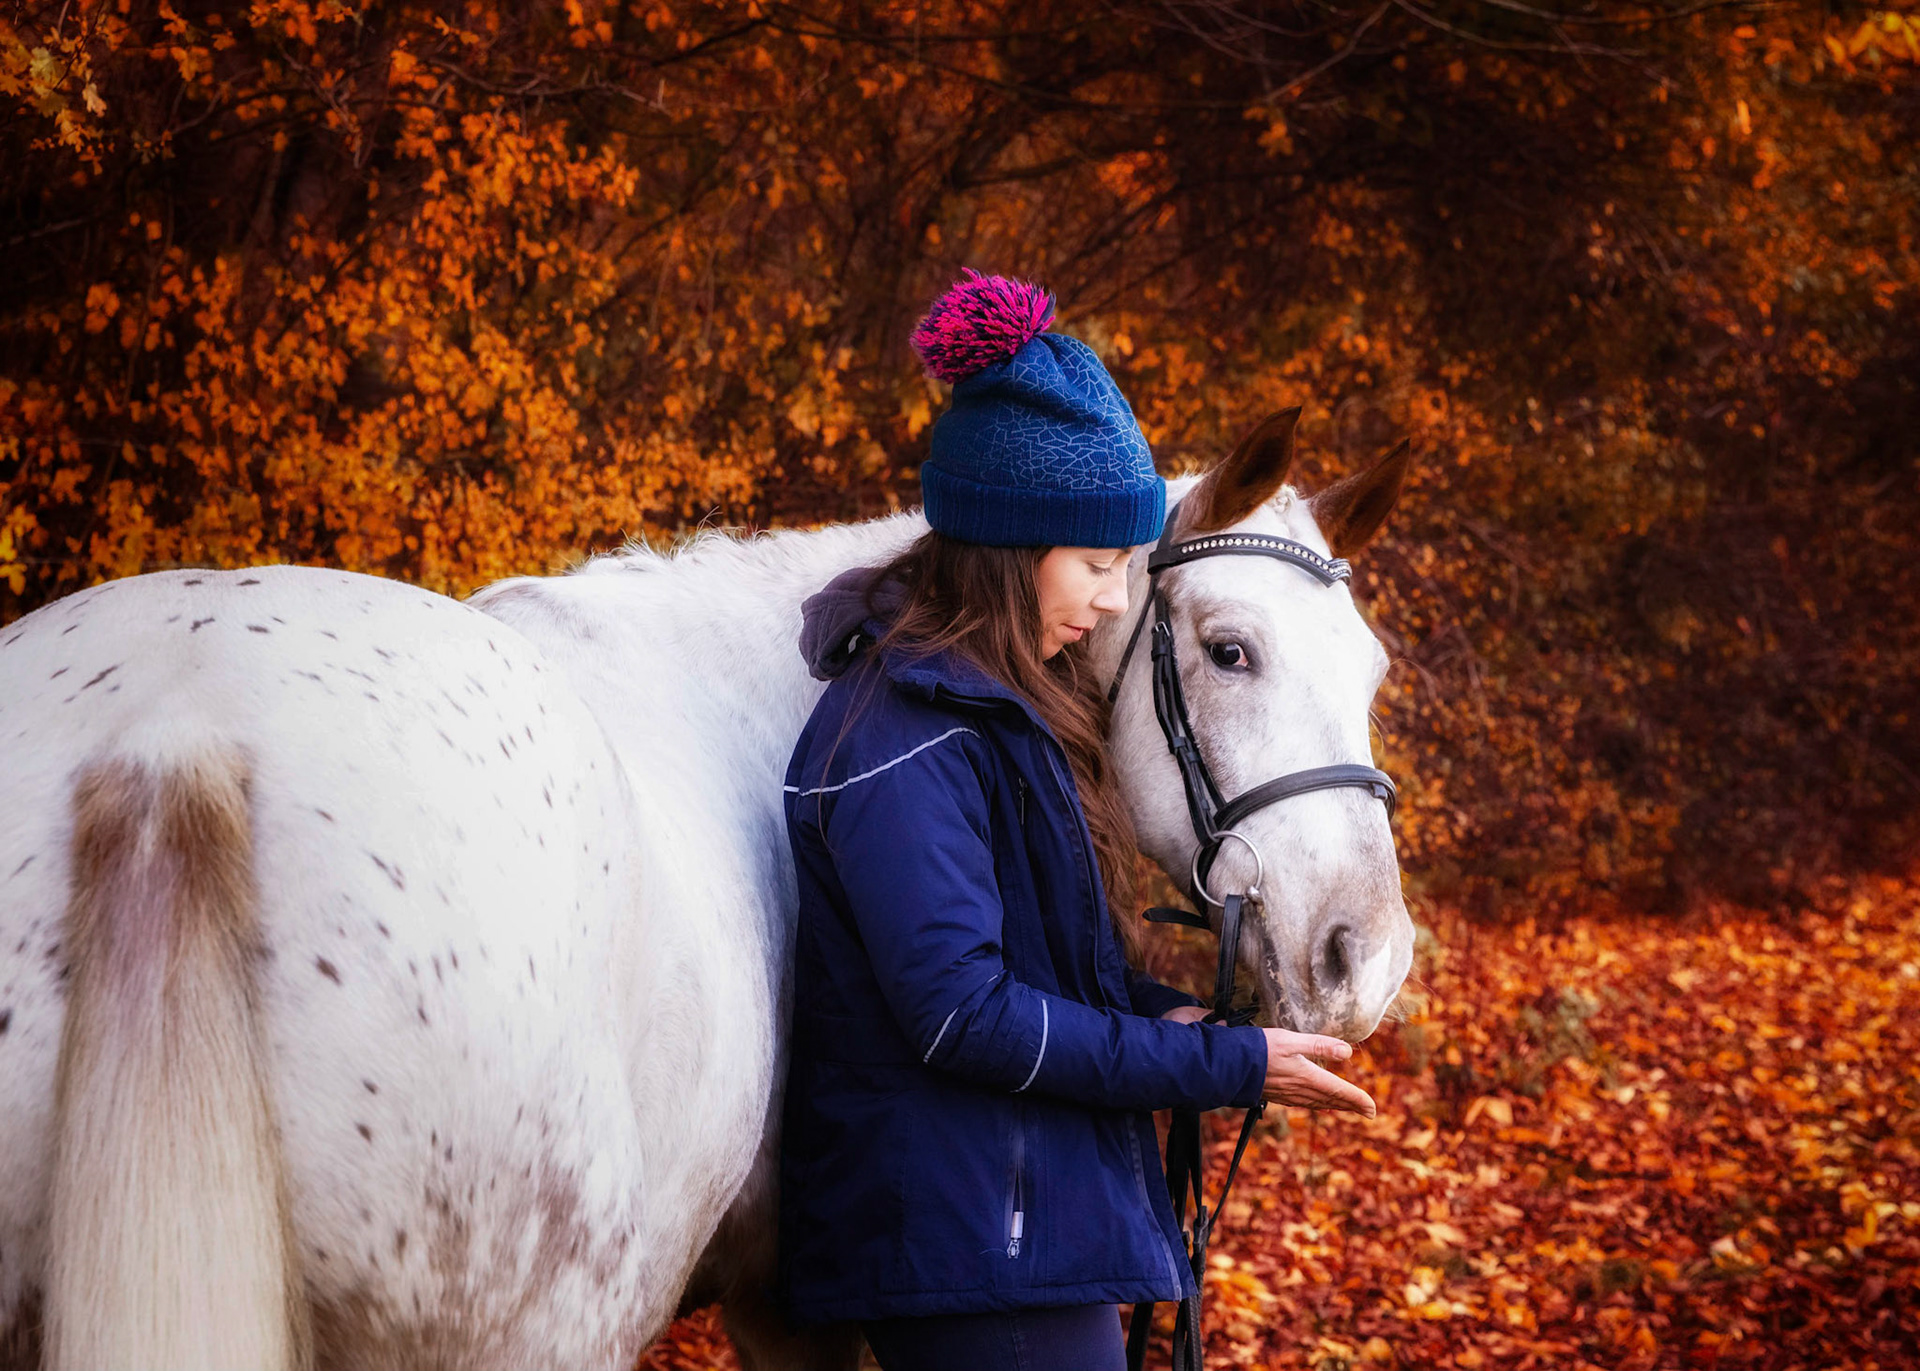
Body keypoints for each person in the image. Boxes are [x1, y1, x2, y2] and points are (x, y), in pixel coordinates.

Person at [777, 271, 1375, 1371]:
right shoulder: (903, 737)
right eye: (1099, 566)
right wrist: (1219, 1068)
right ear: (1014, 549)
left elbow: (1037, 971)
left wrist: (1178, 1023)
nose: (1111, 600)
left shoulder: (995, 716)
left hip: (1013, 1226)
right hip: (969, 1245)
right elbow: (963, 1016)